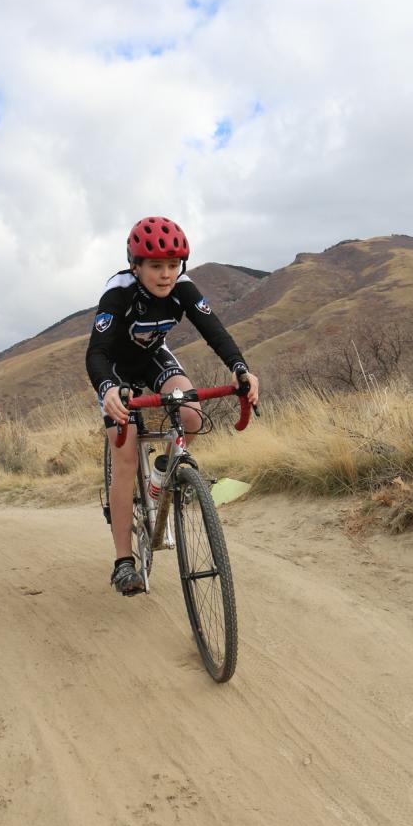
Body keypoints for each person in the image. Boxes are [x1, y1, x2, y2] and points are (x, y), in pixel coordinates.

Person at [85, 215, 260, 596]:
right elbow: (96, 353)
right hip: (115, 370)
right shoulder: (119, 292)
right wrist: (109, 389)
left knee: (192, 415)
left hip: (152, 358)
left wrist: (241, 369)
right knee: (127, 456)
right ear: (136, 265)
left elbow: (216, 332)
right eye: (156, 266)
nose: (166, 274)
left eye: (173, 265)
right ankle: (123, 562)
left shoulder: (183, 287)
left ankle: (165, 470)